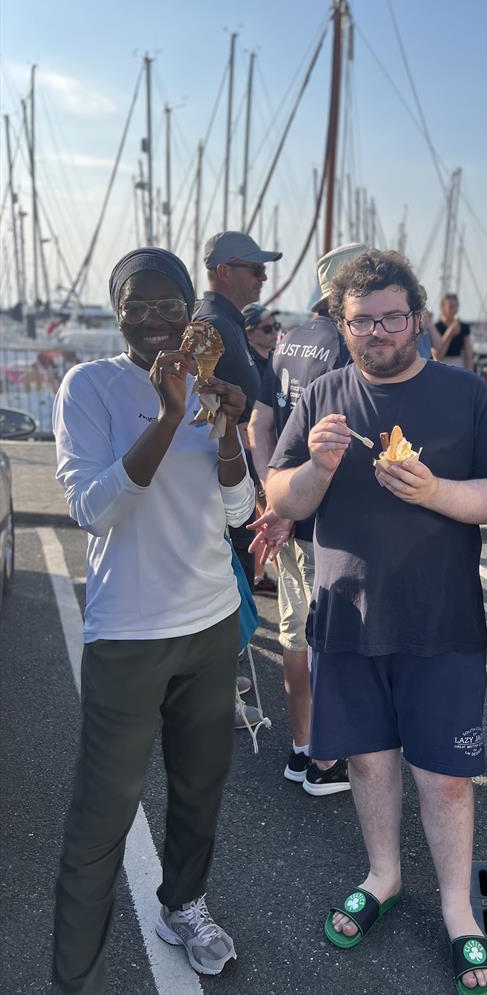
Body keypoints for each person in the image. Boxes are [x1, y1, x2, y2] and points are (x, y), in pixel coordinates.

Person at [257, 249, 487, 993]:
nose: (378, 331)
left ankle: (457, 907)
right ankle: (382, 875)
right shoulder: (323, 396)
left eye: (392, 316)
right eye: (362, 319)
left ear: (418, 319)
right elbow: (283, 497)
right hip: (347, 616)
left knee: (445, 778)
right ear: (342, 325)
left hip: (442, 620)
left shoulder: (466, 394)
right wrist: (314, 468)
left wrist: (436, 491)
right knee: (370, 762)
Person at [51, 248, 255, 991]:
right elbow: (93, 508)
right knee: (101, 817)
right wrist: (169, 416)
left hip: (210, 624)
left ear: (191, 312)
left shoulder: (212, 387)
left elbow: (239, 510)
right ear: (116, 310)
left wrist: (227, 428)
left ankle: (184, 902)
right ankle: (71, 973)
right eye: (135, 302)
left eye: (168, 302)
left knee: (201, 786)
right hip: (129, 635)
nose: (152, 316)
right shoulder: (90, 386)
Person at [248, 243, 360, 796]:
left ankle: (301, 747)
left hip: (287, 508)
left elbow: (259, 425)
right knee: (334, 635)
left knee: (295, 630)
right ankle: (326, 758)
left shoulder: (289, 339)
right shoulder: (348, 344)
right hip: (330, 521)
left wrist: (276, 496)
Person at [194, 230, 282, 590]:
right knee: (232, 592)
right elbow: (197, 409)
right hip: (223, 485)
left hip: (238, 479)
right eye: (256, 269)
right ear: (225, 271)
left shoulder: (227, 322)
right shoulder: (211, 325)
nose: (263, 278)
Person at [241, 302, 280, 386]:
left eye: (276, 326)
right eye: (267, 329)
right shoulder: (248, 366)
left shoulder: (276, 359)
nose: (274, 332)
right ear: (249, 334)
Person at [434, 292, 475, 370]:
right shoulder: (436, 327)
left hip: (459, 364)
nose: (453, 309)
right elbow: (438, 356)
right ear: (443, 307)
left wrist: (470, 370)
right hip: (441, 366)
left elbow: (468, 351)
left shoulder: (464, 327)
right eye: (450, 306)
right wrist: (450, 333)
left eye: (455, 306)